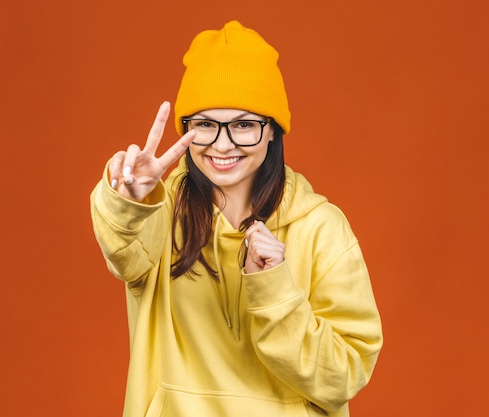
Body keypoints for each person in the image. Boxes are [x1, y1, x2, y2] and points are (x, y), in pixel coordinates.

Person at [90, 20, 382, 417]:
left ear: (272, 132)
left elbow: (343, 377)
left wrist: (275, 288)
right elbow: (124, 254)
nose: (223, 144)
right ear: (186, 130)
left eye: (244, 124)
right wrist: (128, 201)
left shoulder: (321, 227)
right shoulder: (159, 211)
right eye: (206, 125)